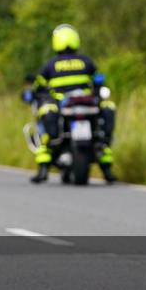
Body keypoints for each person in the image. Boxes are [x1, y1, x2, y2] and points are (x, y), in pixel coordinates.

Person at [29, 24, 116, 184]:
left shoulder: (51, 65)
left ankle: (43, 167)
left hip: (64, 107)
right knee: (106, 117)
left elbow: (38, 87)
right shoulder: (86, 61)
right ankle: (106, 168)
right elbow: (98, 81)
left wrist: (34, 94)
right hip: (87, 106)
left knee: (45, 119)